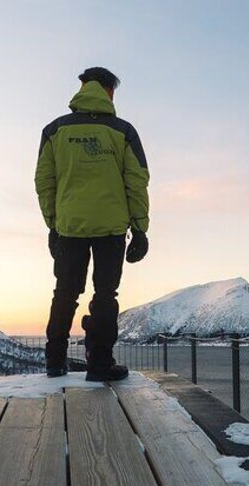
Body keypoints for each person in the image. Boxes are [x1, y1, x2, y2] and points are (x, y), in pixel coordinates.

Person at [35, 66, 150, 381]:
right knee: (105, 294)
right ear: (110, 91)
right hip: (111, 230)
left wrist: (53, 224)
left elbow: (44, 182)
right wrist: (140, 229)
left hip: (69, 227)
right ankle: (99, 364)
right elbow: (136, 182)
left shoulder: (54, 131)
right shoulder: (123, 131)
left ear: (83, 87)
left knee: (65, 293)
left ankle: (55, 362)